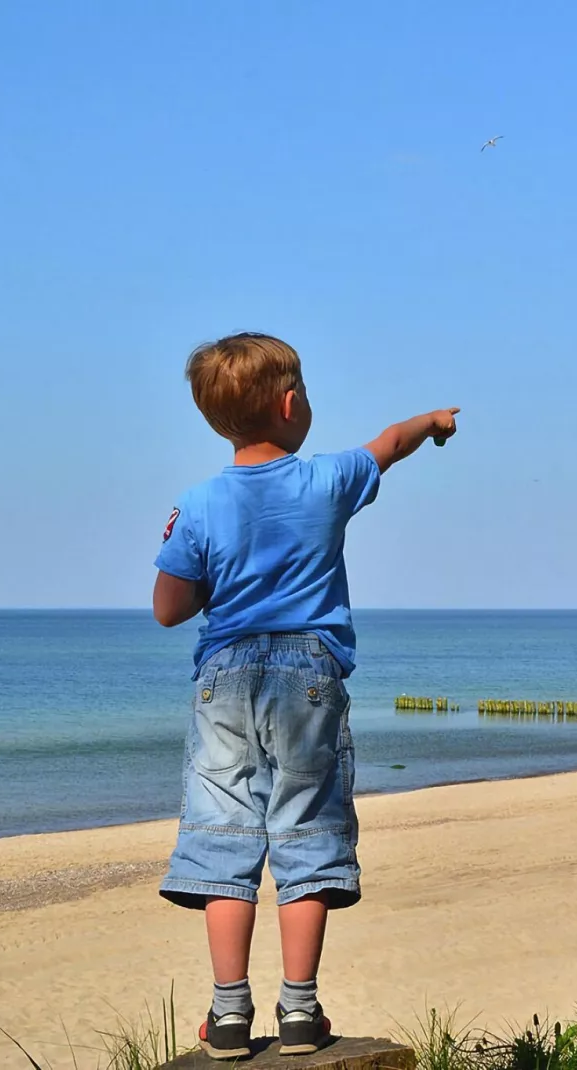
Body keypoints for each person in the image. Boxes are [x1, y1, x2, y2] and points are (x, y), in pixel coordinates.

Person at [151, 332, 460, 1059]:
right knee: (305, 830)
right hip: (309, 676)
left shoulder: (196, 504)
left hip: (223, 677)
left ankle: (228, 1016)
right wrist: (435, 423)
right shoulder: (326, 481)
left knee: (224, 831)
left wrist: (218, 578)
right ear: (293, 405)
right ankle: (299, 1013)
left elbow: (168, 607)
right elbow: (389, 443)